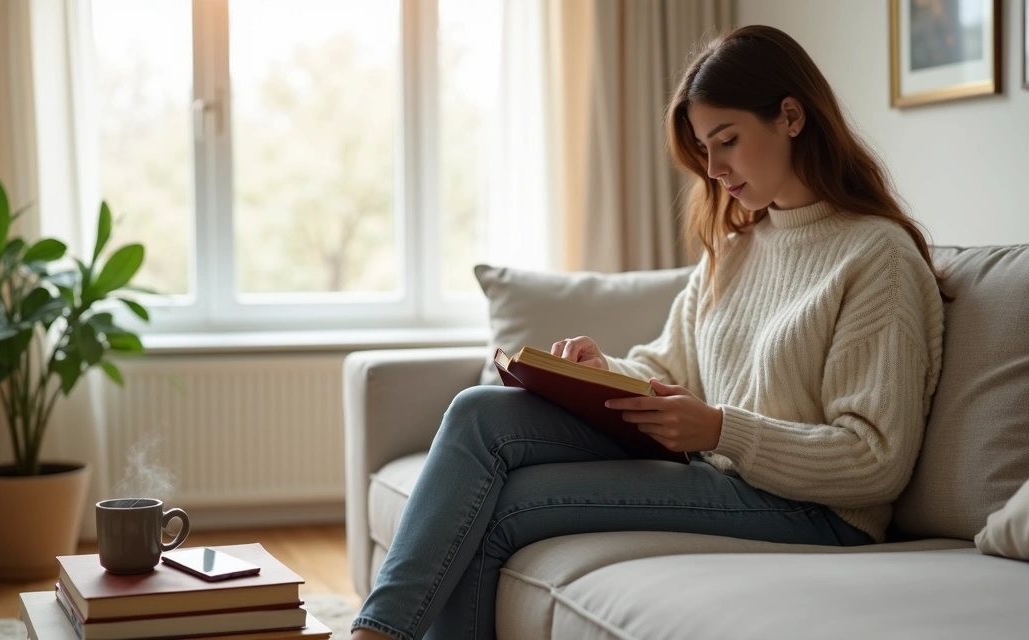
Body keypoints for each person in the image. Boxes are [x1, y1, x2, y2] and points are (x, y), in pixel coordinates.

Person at [350, 24, 945, 640]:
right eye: (703, 147)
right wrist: (601, 372)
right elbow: (668, 367)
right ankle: (378, 631)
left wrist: (720, 428)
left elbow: (876, 461)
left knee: (500, 510)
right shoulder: (739, 246)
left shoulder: (876, 256)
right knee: (478, 412)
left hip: (813, 511)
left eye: (727, 140)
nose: (714, 169)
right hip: (719, 470)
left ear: (791, 116)